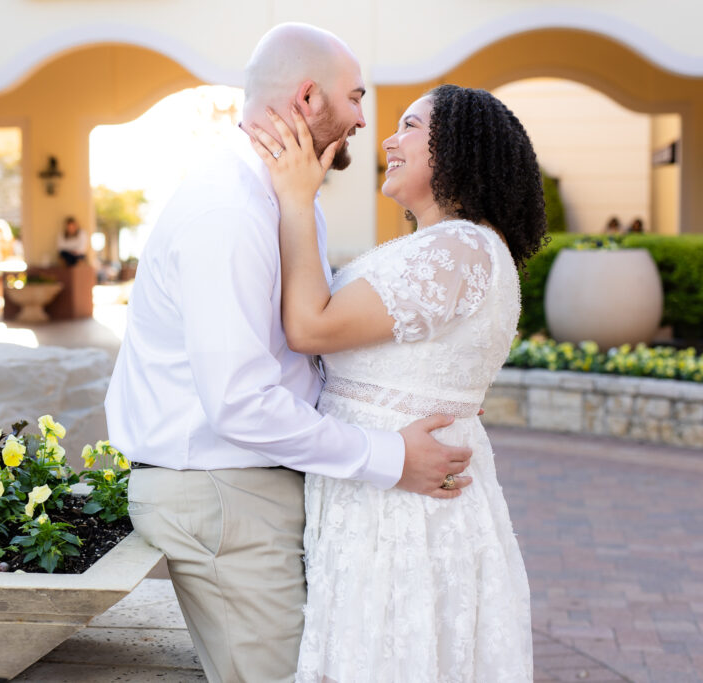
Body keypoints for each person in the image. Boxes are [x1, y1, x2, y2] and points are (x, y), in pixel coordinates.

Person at [104, 23, 474, 683]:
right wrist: (390, 458)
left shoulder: (282, 196)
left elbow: (305, 343)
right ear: (308, 99)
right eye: (356, 97)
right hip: (225, 491)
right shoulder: (232, 209)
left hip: (245, 486)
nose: (366, 119)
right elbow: (240, 403)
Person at [249, 84, 544, 681]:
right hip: (389, 485)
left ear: (458, 149)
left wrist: (296, 196)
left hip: (400, 504)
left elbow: (310, 325)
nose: (388, 138)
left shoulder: (458, 246)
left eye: (410, 126)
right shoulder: (453, 245)